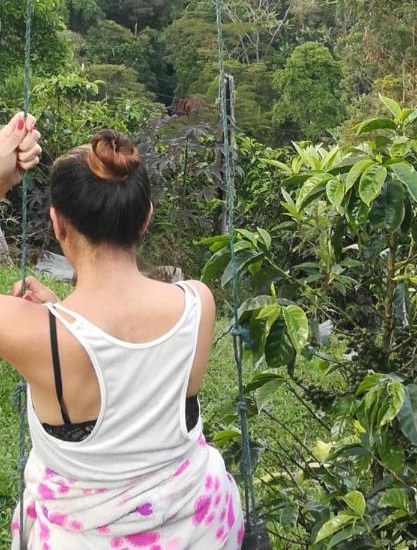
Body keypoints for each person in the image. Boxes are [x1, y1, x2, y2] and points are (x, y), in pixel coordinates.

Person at [0, 124, 244, 549]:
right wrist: (60, 311)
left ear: (58, 223)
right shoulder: (199, 303)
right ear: (146, 218)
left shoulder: (37, 336)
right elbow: (133, 376)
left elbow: (95, 360)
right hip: (202, 530)